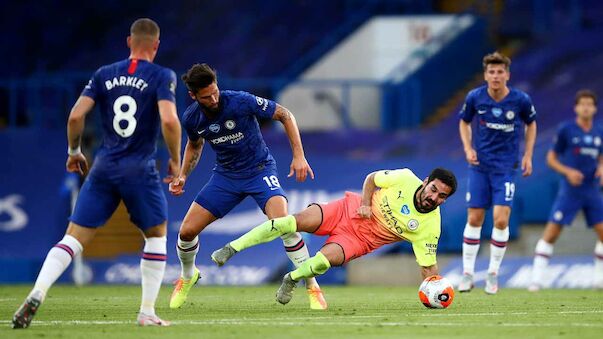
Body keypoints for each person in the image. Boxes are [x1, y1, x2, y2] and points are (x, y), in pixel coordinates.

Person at [12, 18, 181, 328]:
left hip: (103, 166)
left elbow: (76, 115)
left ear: (128, 42)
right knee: (156, 236)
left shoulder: (104, 74)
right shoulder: (161, 75)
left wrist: (74, 152)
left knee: (73, 239)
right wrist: (175, 160)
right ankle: (146, 313)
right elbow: (169, 121)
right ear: (156, 45)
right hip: (139, 168)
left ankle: (37, 292)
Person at [168, 63, 327, 310]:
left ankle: (312, 286)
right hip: (225, 177)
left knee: (284, 223)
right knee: (186, 232)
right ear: (193, 96)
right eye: (206, 97)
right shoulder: (191, 117)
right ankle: (188, 276)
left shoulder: (240, 101)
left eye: (215, 92)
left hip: (259, 170)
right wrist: (183, 175)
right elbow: (195, 145)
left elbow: (285, 115)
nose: (213, 98)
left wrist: (299, 156)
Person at [211, 167, 457, 305]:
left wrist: (437, 290)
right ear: (425, 182)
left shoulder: (430, 226)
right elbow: (371, 178)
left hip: (359, 241)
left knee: (323, 261)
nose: (433, 198)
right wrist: (365, 203)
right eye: (433, 189)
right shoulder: (404, 177)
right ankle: (232, 247)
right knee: (290, 222)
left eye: (441, 197)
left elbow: (427, 266)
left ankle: (292, 278)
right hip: (345, 210)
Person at [458, 51, 537, 294]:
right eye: (491, 72)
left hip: (505, 169)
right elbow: (464, 122)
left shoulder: (520, 100)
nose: (495, 76)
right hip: (480, 168)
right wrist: (468, 147)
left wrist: (528, 155)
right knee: (474, 219)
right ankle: (467, 274)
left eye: (499, 71)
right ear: (485, 75)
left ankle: (492, 273)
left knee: (501, 219)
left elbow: (531, 123)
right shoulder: (475, 97)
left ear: (507, 75)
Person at [530, 90, 603, 291]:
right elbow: (551, 158)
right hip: (570, 191)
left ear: (595, 108)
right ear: (576, 107)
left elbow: (601, 157)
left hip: (592, 190)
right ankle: (536, 279)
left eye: (590, 104)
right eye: (583, 104)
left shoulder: (599, 132)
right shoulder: (566, 130)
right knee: (552, 233)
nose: (586, 107)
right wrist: (568, 171)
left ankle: (599, 279)